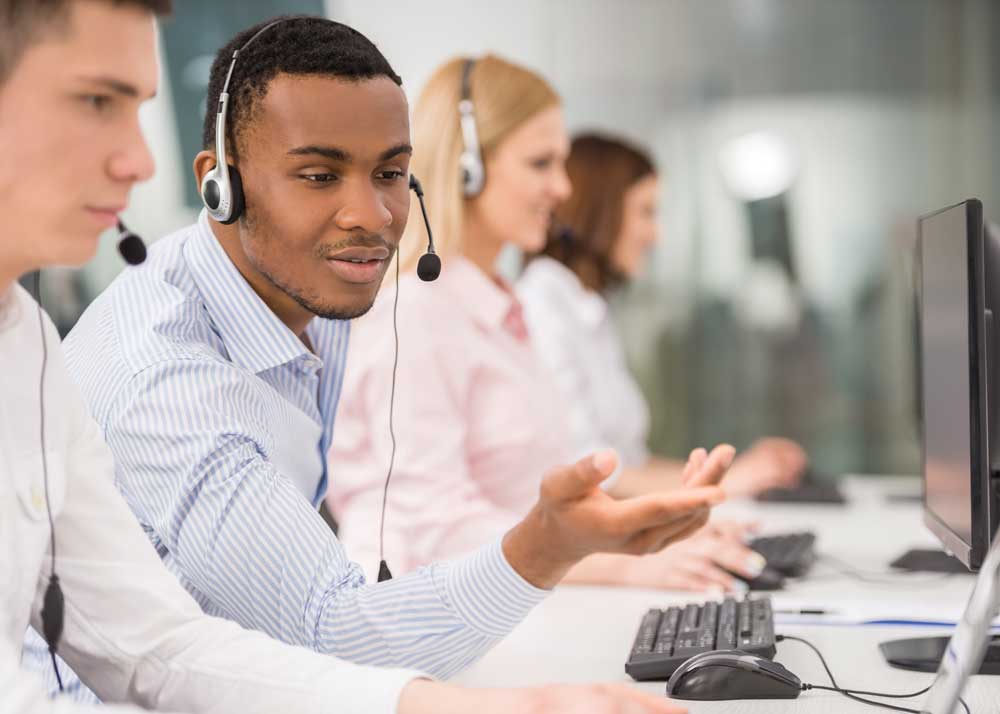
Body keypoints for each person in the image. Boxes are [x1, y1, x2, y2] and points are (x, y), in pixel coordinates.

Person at [55, 14, 728, 713]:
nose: (371, 214)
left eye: (391, 174)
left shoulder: (320, 301)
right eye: (319, 175)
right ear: (220, 182)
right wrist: (543, 549)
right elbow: (332, 635)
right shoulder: (169, 379)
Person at [327, 55, 763, 594]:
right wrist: (627, 564)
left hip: (515, 602)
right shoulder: (416, 316)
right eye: (540, 163)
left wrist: (654, 535)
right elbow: (436, 529)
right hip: (430, 623)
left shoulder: (500, 309)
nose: (562, 188)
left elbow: (536, 506)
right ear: (469, 167)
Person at [518, 133, 808, 500]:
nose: (655, 235)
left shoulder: (586, 309)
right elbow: (588, 474)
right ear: (599, 211)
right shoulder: (542, 308)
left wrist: (728, 473)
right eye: (645, 212)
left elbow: (630, 464)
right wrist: (727, 484)